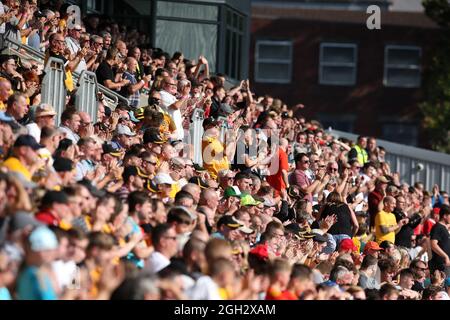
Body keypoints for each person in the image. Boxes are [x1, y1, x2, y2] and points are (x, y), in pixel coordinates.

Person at [429, 205, 450, 277]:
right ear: (445, 216)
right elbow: (433, 244)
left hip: (445, 265)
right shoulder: (437, 227)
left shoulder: (444, 228)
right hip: (440, 265)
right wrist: (445, 256)